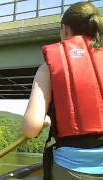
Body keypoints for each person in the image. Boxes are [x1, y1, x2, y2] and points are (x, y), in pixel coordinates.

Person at [21, 2, 103, 180]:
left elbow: (30, 129)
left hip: (71, 168)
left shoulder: (47, 69)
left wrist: (44, 121)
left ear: (64, 29)